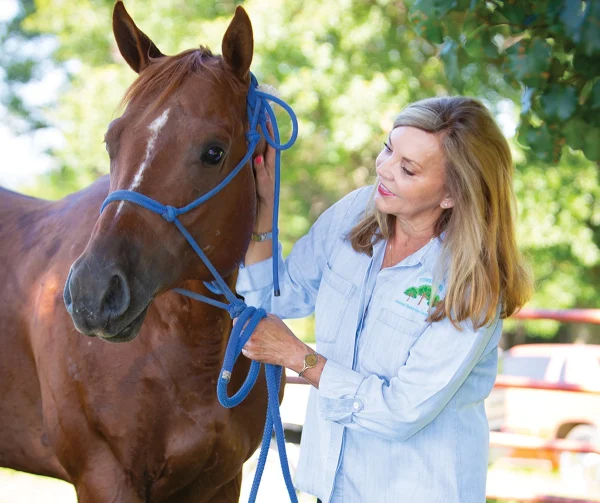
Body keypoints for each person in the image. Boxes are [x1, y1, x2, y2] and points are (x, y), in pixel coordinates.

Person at [236, 96, 533, 503]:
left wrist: (296, 356)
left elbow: (401, 411)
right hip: (332, 491)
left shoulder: (473, 286)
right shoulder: (355, 213)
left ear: (451, 194)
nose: (384, 167)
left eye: (407, 169)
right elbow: (276, 299)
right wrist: (262, 208)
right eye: (389, 148)